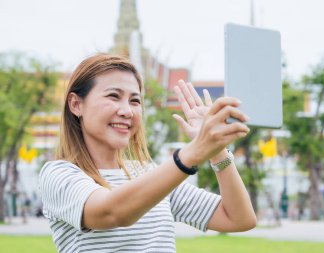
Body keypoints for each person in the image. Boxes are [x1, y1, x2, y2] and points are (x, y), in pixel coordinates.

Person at [39, 53, 256, 253]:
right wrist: (193, 151)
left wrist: (217, 151)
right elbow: (111, 212)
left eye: (135, 101)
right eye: (113, 96)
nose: (127, 111)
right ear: (76, 105)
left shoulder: (150, 174)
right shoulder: (58, 174)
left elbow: (239, 218)